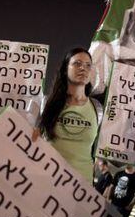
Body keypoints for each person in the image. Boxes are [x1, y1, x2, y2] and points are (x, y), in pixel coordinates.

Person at [37, 47, 103, 183]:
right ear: (65, 69)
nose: (83, 68)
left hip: (81, 188)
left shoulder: (98, 109)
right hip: (48, 180)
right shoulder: (46, 104)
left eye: (88, 65)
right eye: (77, 63)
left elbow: (110, 153)